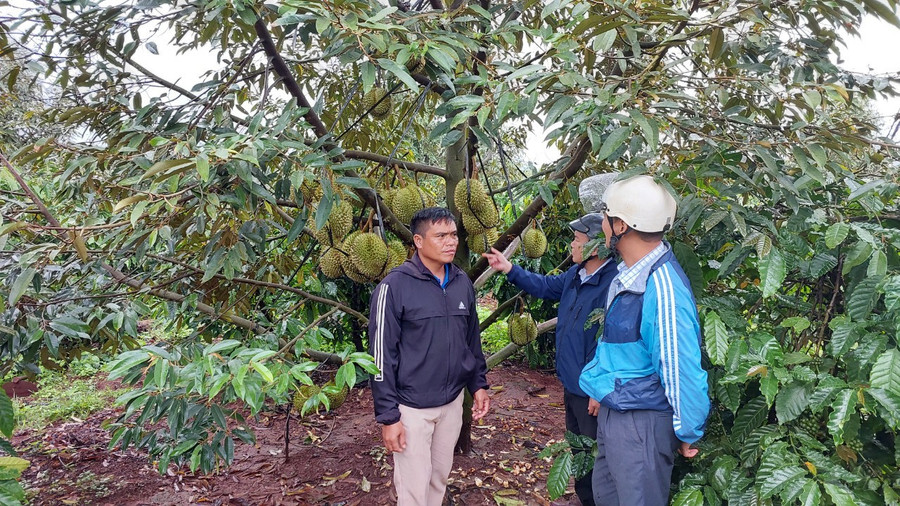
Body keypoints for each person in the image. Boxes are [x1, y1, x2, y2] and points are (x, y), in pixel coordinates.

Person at [578, 175, 710, 506]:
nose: (602, 225)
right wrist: (600, 388)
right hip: (617, 408)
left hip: (641, 421)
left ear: (620, 225)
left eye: (606, 217)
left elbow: (679, 366)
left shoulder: (662, 288)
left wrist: (688, 430)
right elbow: (618, 346)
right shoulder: (629, 274)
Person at [481, 188, 618, 506]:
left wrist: (601, 387)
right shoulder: (576, 274)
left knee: (597, 455)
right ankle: (586, 500)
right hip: (571, 384)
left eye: (578, 240)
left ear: (597, 246)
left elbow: (614, 340)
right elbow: (544, 287)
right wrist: (509, 269)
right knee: (580, 450)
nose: (572, 244)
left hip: (592, 392)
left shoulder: (613, 284)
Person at [368, 207, 491, 506]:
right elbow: (380, 357)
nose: (451, 242)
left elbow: (470, 340)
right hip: (411, 408)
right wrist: (389, 417)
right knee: (413, 489)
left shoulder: (462, 282)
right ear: (419, 241)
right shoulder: (393, 287)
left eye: (453, 235)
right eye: (441, 236)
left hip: (450, 404)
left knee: (438, 479)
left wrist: (478, 384)